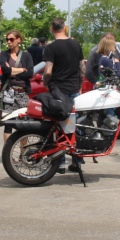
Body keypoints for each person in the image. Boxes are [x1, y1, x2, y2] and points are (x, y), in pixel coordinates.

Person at [42, 17, 84, 172]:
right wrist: (80, 86)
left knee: (59, 125)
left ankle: (60, 163)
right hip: (73, 89)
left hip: (58, 90)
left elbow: (48, 71)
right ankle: (77, 161)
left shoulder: (51, 48)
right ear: (65, 27)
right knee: (75, 124)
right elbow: (82, 68)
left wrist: (45, 83)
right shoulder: (75, 44)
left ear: (51, 29)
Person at [0, 30, 34, 141]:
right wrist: (22, 69)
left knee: (24, 125)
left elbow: (30, 74)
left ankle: (23, 151)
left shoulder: (26, 55)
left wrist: (12, 70)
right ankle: (8, 149)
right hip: (9, 93)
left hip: (23, 93)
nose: (9, 42)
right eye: (7, 39)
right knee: (8, 124)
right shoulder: (4, 54)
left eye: (11, 39)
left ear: (18, 40)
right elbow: (5, 71)